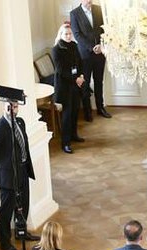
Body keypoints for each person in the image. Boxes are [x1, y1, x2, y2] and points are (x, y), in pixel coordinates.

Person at [0, 101, 37, 250]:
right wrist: (3, 168)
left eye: (15, 107)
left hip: (22, 169)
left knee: (24, 202)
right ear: (4, 107)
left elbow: (23, 146)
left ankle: (22, 231)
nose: (12, 110)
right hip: (8, 175)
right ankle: (5, 242)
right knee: (7, 209)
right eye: (9, 107)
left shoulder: (20, 122)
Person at [70, 0, 112, 121]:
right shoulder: (74, 13)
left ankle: (100, 108)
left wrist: (100, 45)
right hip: (85, 55)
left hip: (100, 53)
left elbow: (105, 30)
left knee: (99, 81)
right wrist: (91, 47)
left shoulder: (99, 10)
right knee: (85, 83)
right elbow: (77, 35)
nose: (89, 1)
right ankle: (87, 111)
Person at [51, 23, 86, 154]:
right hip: (65, 85)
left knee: (75, 111)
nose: (68, 36)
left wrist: (81, 75)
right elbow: (61, 71)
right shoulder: (56, 49)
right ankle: (65, 142)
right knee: (67, 114)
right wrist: (76, 79)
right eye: (65, 34)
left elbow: (80, 62)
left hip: (76, 84)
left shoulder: (74, 45)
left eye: (70, 33)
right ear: (60, 35)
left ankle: (73, 135)